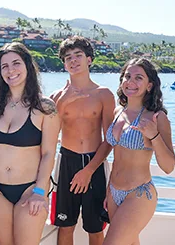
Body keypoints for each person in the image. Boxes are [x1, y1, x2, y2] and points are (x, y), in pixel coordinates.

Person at [0, 42, 60, 245]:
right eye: (4, 66)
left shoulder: (45, 107)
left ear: (27, 65)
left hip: (30, 189)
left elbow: (49, 154)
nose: (11, 70)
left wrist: (40, 192)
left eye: (16, 63)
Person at [50, 36, 115, 245]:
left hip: (94, 164)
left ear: (89, 59)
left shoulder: (103, 94)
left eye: (78, 55)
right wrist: (64, 101)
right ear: (63, 64)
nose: (73, 60)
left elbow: (110, 139)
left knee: (95, 229)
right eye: (68, 57)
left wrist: (88, 171)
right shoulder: (55, 97)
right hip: (66, 162)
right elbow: (49, 134)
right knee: (65, 226)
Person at [104, 58, 175, 245]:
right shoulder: (118, 112)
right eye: (127, 76)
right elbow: (117, 157)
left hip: (138, 193)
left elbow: (169, 166)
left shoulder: (157, 118)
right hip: (113, 192)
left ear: (149, 85)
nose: (130, 82)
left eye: (138, 78)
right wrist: (108, 190)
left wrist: (154, 136)